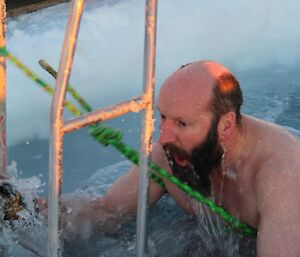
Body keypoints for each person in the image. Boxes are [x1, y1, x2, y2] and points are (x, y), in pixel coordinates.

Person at [38, 61, 300, 256]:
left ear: (226, 126)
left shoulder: (282, 181)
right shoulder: (171, 155)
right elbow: (106, 213)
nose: (163, 137)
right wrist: (32, 210)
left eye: (182, 123)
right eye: (163, 117)